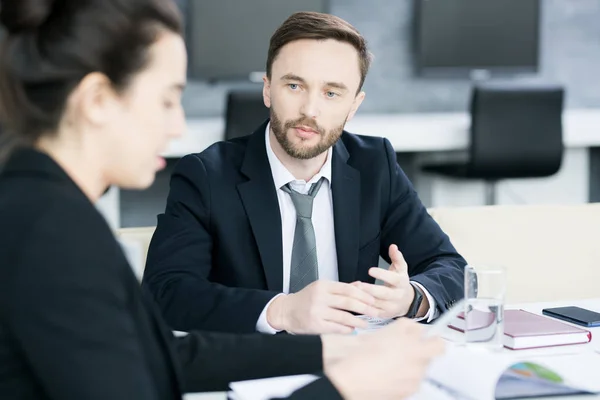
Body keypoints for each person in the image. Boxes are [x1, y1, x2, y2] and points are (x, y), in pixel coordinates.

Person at [0, 1, 444, 399]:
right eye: (168, 99)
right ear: (97, 100)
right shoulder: (49, 232)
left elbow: (164, 356)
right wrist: (347, 388)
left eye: (332, 91)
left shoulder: (46, 210)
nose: (177, 126)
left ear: (354, 104)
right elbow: (164, 312)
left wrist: (331, 352)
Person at [143, 11, 467, 335]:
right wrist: (282, 311)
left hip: (351, 365)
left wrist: (411, 299)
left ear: (353, 105)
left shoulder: (375, 166)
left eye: (331, 93)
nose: (310, 110)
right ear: (268, 90)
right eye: (295, 85)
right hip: (252, 369)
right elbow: (166, 292)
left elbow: (452, 269)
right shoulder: (206, 176)